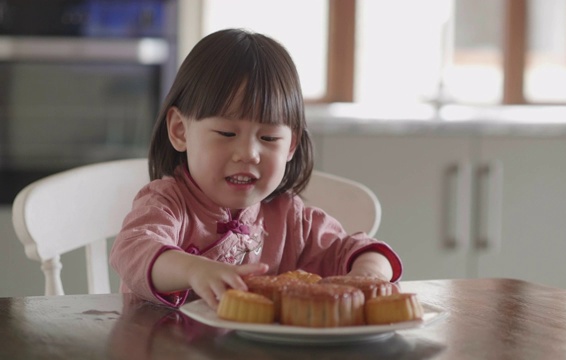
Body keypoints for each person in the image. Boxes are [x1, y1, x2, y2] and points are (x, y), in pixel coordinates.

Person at [109, 28, 402, 309]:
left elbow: (360, 249)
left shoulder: (291, 220)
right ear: (180, 131)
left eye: (269, 138)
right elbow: (133, 249)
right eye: (226, 133)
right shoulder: (166, 204)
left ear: (290, 146)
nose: (248, 153)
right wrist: (193, 270)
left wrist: (370, 275)